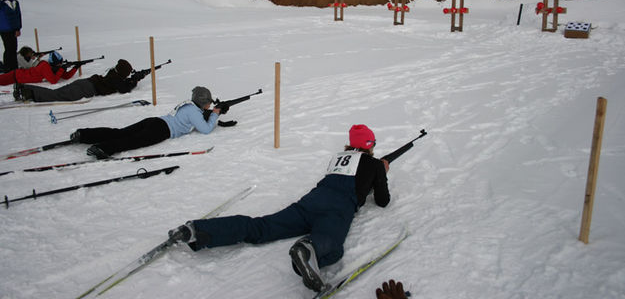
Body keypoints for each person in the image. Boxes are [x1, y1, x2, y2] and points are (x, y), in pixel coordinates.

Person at [168, 124, 390, 293]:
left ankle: (196, 230)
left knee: (262, 227)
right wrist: (382, 172)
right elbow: (382, 200)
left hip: (309, 202)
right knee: (331, 244)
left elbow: (349, 177)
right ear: (370, 145)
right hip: (336, 209)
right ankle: (306, 249)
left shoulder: (338, 158)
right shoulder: (374, 164)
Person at [69, 86, 221, 159]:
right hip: (162, 130)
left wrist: (210, 112)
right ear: (202, 102)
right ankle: (102, 148)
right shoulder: (194, 112)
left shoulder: (189, 105)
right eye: (208, 102)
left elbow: (196, 116)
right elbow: (206, 129)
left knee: (120, 132)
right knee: (133, 141)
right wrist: (215, 114)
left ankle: (84, 135)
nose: (209, 105)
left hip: (155, 121)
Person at [13, 58, 141, 103]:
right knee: (56, 95)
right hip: (86, 89)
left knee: (57, 92)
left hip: (84, 83)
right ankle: (28, 93)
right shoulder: (116, 79)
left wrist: (133, 79)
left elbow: (122, 84)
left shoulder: (112, 73)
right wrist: (135, 81)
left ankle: (25, 88)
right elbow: (124, 89)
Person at [0, 50, 77, 85]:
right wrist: (62, 69)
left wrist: (75, 68)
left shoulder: (51, 68)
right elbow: (53, 81)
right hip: (17, 75)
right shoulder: (45, 66)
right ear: (53, 64)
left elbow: (65, 76)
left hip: (18, 77)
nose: (60, 66)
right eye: (59, 65)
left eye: (61, 65)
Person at [0, 0, 22, 73]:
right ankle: (8, 68)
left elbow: (18, 16)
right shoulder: (1, 1)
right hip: (4, 29)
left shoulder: (15, 2)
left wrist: (18, 28)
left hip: (13, 29)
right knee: (9, 49)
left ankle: (14, 68)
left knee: (13, 49)